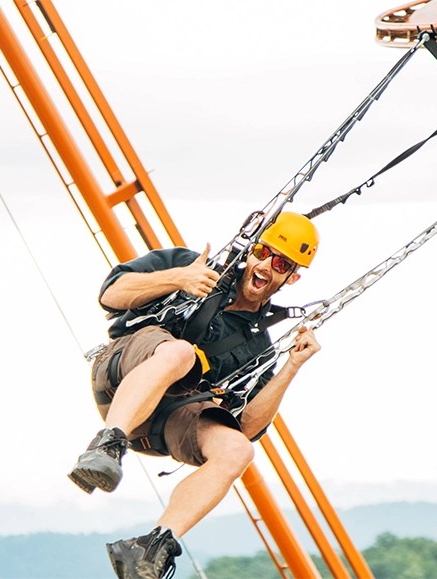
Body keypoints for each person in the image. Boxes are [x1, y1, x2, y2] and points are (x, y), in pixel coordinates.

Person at [68, 212, 322, 579]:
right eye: (263, 252)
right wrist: (179, 278)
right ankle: (107, 445)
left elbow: (246, 426)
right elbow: (111, 295)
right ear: (251, 250)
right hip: (121, 375)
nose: (266, 265)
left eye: (280, 263)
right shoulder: (193, 265)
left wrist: (291, 367)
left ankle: (151, 546)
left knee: (239, 450)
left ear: (291, 277)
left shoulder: (259, 346)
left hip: (161, 422)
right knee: (181, 354)